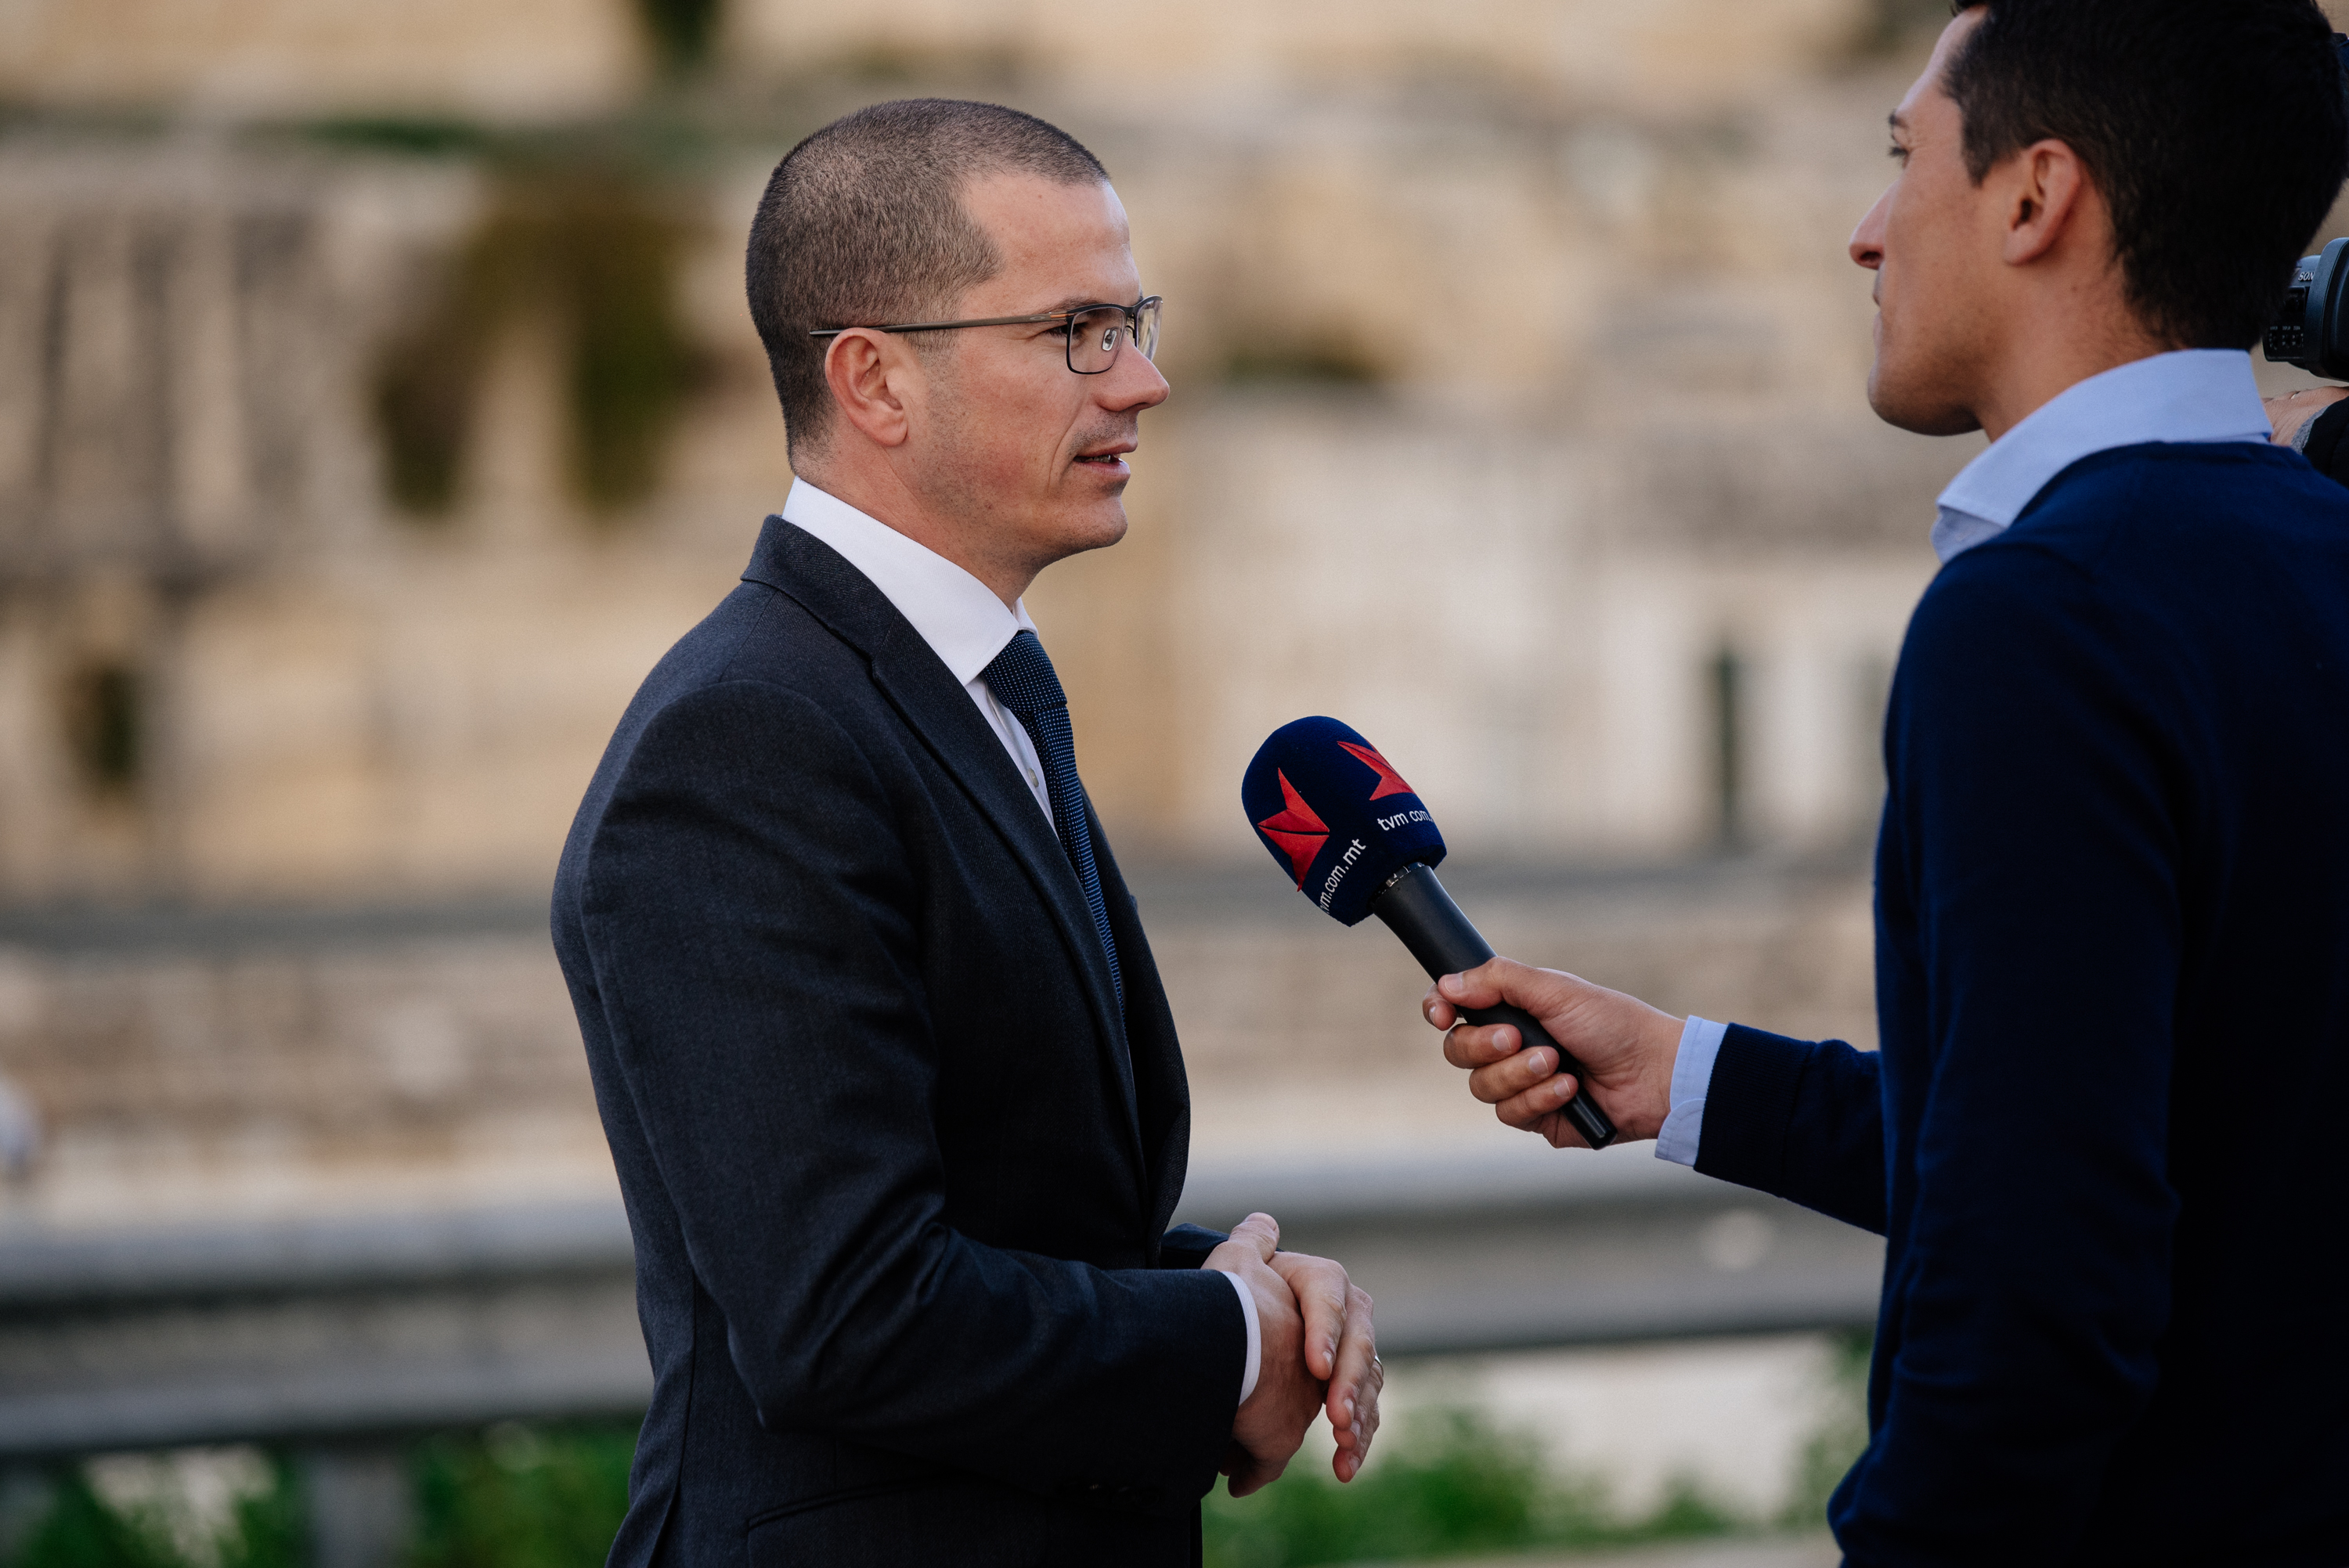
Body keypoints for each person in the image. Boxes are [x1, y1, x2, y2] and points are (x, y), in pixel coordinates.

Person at [1422, 4, 2349, 1562]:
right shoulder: (2302, 552)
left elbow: (2041, 1278)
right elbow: (2162, 1138)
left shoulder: (2048, 617)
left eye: (1903, 157)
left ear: (2034, 196)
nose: (1866, 234)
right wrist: (1692, 1076)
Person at [551, 99, 1380, 1567]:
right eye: (1076, 329)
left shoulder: (972, 689)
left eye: (1135, 319)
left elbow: (1001, 1204)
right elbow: (846, 1315)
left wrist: (1230, 1304)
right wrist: (1216, 1338)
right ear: (874, 379)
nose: (1145, 380)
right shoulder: (747, 739)